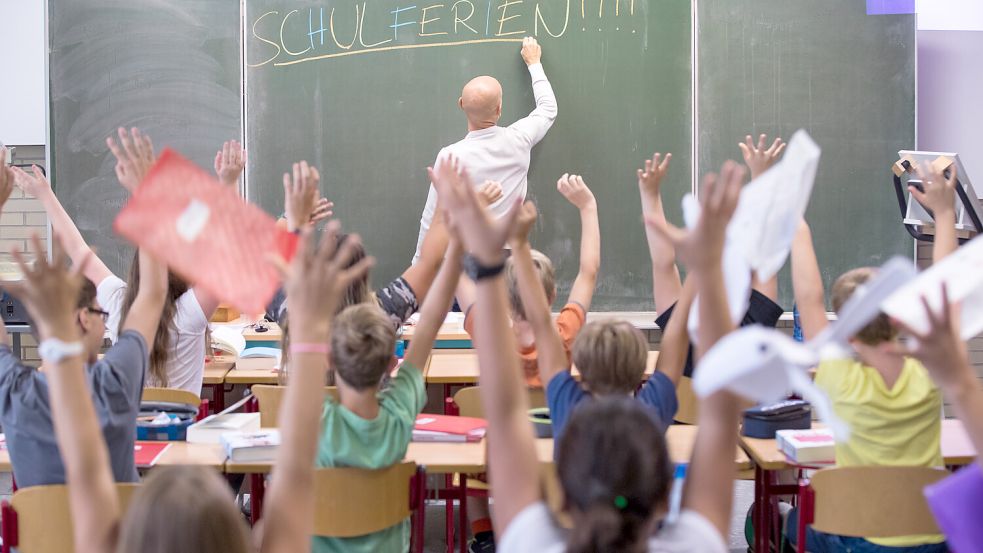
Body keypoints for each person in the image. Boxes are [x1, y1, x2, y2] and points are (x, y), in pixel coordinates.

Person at [434, 148, 746, 552]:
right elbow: (716, 407)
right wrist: (705, 268)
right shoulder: (652, 411)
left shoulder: (565, 408)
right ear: (666, 495)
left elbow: (510, 408)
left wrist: (508, 250)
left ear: (560, 492)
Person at [784, 160, 960, 552]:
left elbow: (809, 296)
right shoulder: (930, 371)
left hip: (858, 540)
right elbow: (943, 293)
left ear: (844, 324)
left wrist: (792, 216)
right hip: (930, 540)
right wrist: (945, 216)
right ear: (900, 313)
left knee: (797, 520)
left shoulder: (837, 373)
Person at [11, 130, 237, 393]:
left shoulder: (119, 305)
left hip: (130, 431)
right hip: (182, 432)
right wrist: (228, 183)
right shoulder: (189, 315)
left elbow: (78, 250)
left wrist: (45, 196)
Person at [0, 145, 168, 488]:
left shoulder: (15, 394)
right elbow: (152, 293)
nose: (107, 322)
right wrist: (147, 195)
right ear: (83, 319)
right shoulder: (114, 383)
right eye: (100, 313)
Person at [312, 226, 463, 552]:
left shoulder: (318, 421)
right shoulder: (399, 414)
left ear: (329, 357)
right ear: (390, 364)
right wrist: (457, 244)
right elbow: (431, 319)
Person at [640, 134, 786, 378]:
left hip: (684, 417)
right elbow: (764, 251)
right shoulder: (755, 324)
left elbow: (663, 264)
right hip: (744, 417)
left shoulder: (681, 330)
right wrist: (762, 176)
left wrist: (650, 194)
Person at [413, 36, 557, 263]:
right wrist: (534, 63)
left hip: (464, 262)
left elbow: (432, 215)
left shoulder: (450, 156)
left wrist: (419, 265)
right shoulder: (518, 139)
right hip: (509, 259)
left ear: (461, 104)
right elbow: (548, 108)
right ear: (499, 108)